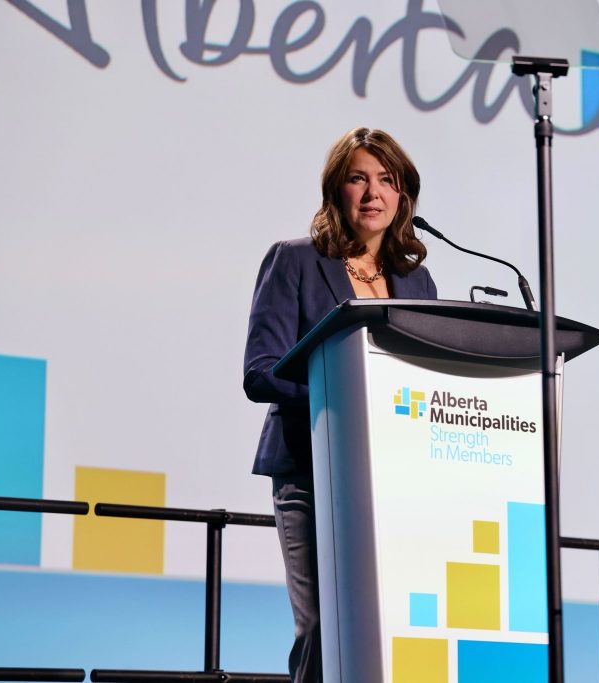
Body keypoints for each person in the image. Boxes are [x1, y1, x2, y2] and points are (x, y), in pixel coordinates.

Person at [242, 128, 438, 682]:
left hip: (392, 480)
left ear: (403, 195)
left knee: (387, 628)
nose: (373, 192)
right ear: (337, 190)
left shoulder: (417, 282)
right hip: (310, 471)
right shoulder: (296, 262)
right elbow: (261, 372)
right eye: (359, 178)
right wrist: (345, 400)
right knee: (323, 628)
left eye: (387, 180)